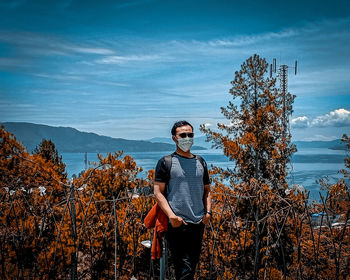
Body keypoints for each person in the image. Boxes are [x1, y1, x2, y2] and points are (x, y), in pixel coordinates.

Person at [153, 120, 211, 280]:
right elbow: (158, 192)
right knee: (184, 267)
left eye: (190, 135)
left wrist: (208, 213)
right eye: (182, 135)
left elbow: (207, 191)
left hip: (198, 223)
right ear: (174, 138)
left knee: (190, 266)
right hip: (178, 223)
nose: (187, 138)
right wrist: (172, 216)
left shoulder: (201, 162)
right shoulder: (166, 162)